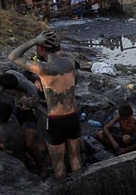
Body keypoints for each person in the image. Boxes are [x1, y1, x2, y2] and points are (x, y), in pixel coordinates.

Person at [8, 30, 82, 176]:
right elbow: (76, 79)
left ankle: (65, 194)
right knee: (75, 158)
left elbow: (13, 56)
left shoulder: (44, 69)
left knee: (58, 163)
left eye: (37, 47)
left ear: (41, 48)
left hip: (56, 120)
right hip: (73, 116)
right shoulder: (70, 60)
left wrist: (34, 41)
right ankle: (80, 187)